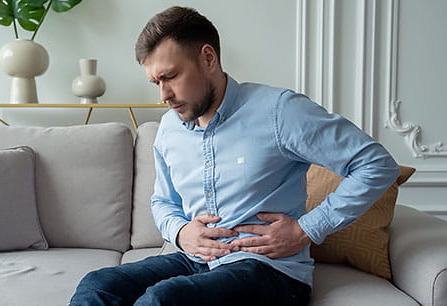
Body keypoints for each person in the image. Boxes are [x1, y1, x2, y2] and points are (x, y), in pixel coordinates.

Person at [70, 6, 400, 306]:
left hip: (270, 271)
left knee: (164, 300)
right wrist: (182, 233)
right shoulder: (169, 129)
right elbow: (163, 202)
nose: (163, 96)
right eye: (156, 82)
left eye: (170, 76)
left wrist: (306, 230)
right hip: (195, 260)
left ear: (208, 58)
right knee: (99, 284)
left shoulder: (279, 112)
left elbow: (376, 164)